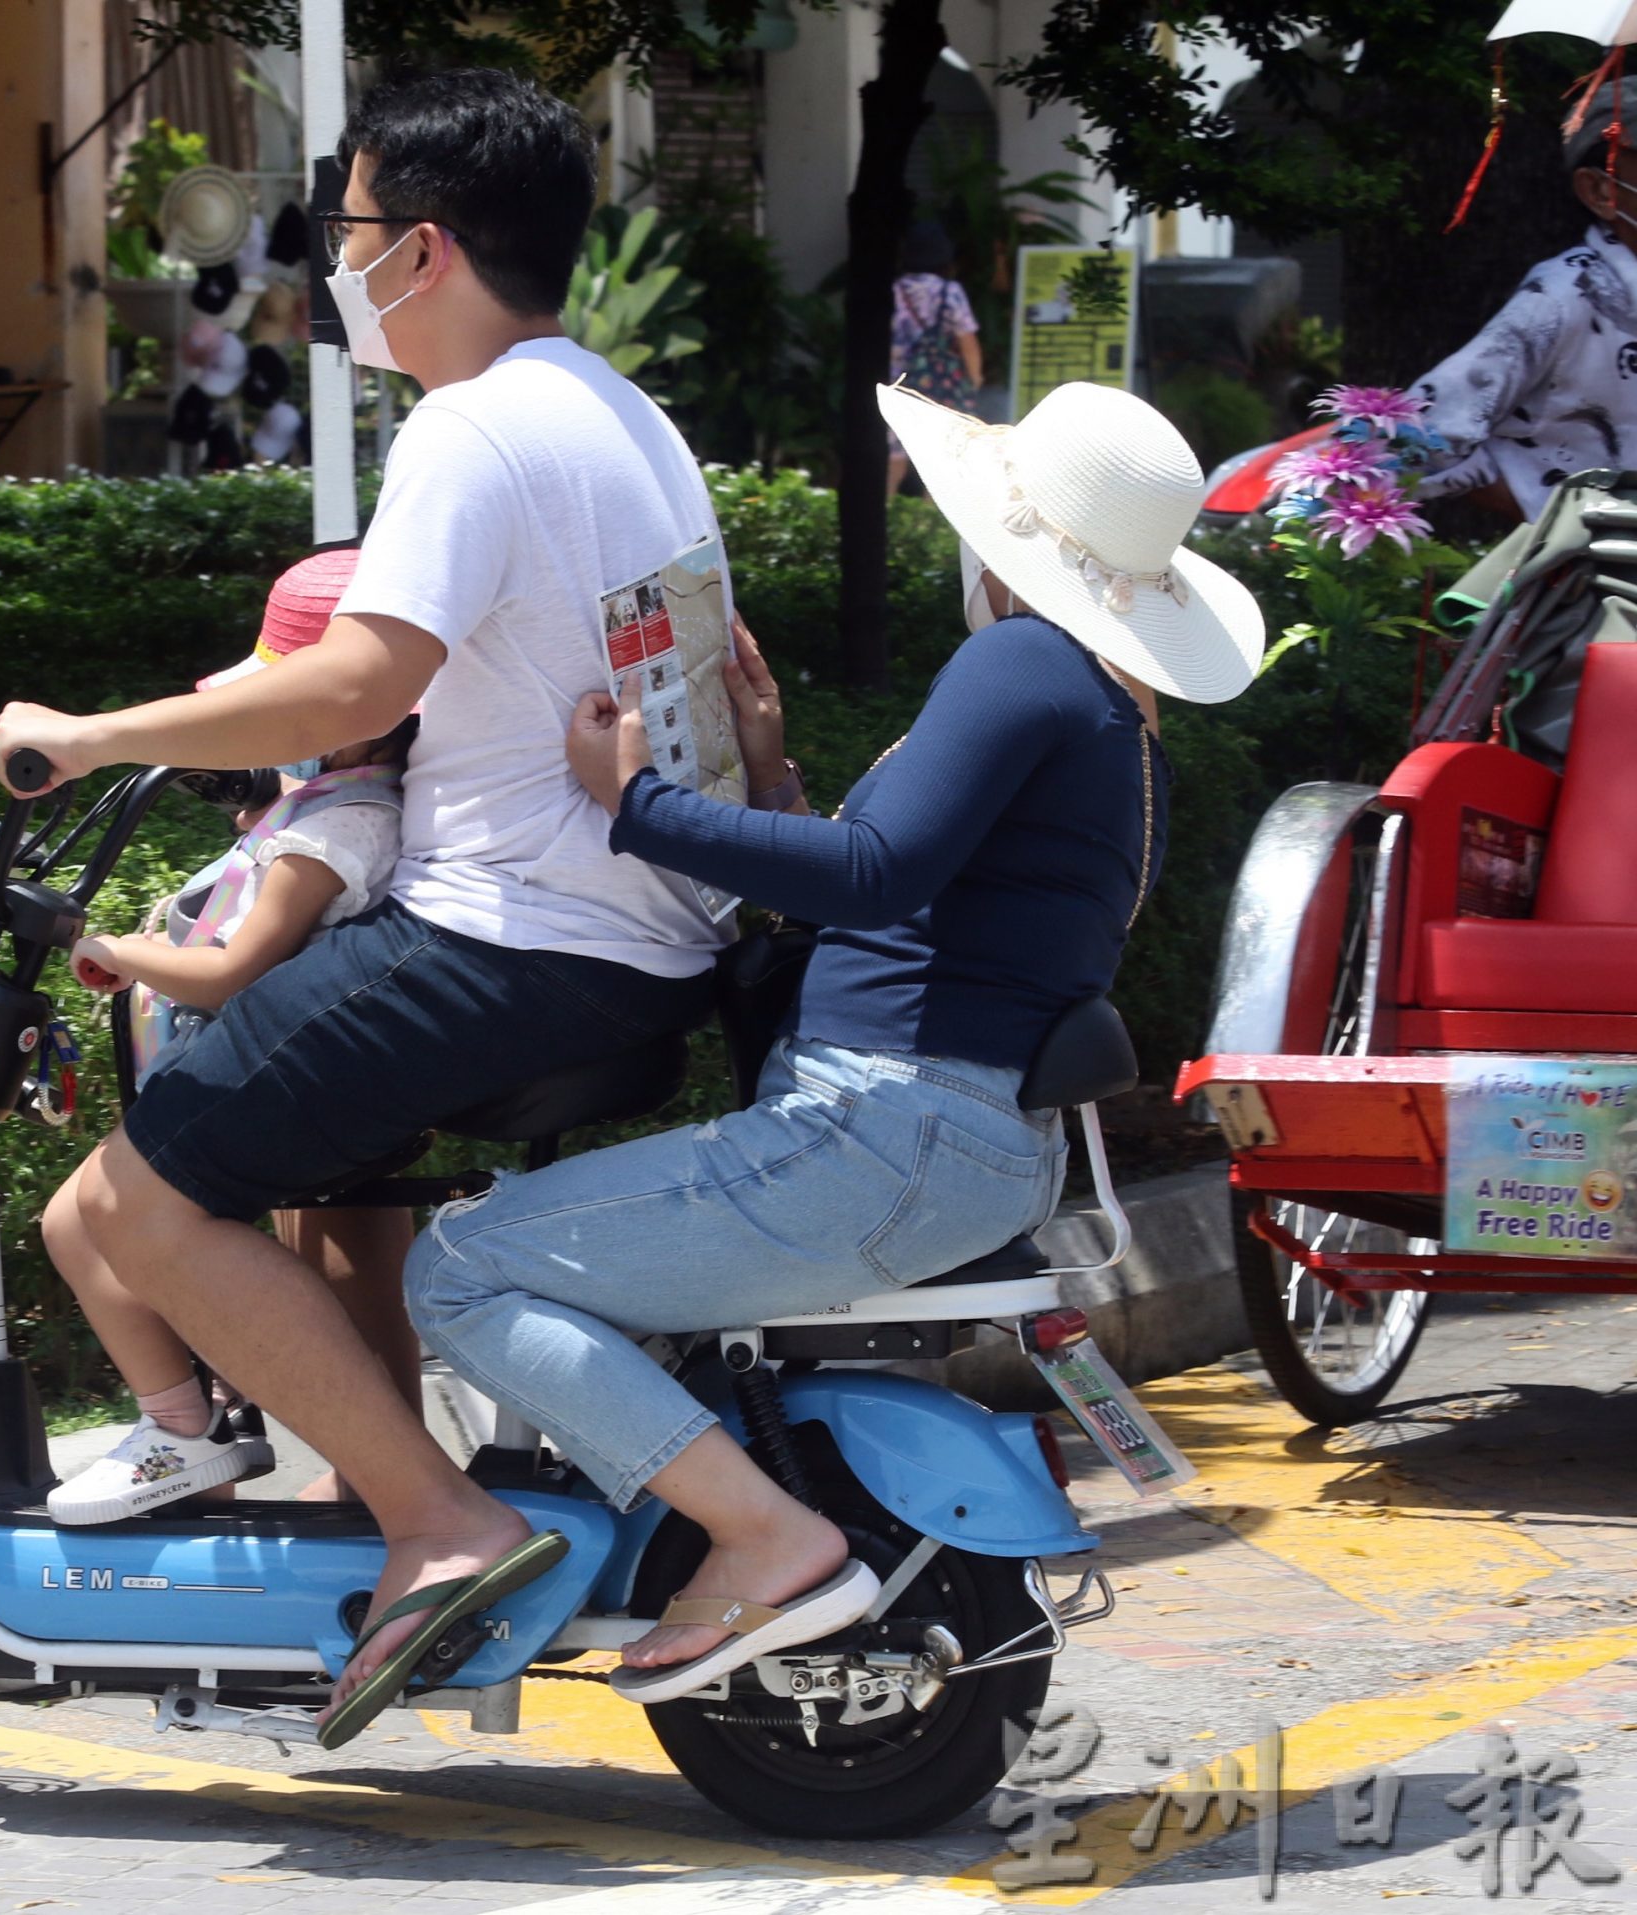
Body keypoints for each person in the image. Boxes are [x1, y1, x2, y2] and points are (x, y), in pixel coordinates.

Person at [0, 68, 724, 1746]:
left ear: (431, 250)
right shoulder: (620, 412)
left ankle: (439, 1521)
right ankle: (377, 1530)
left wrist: (91, 735)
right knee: (335, 1188)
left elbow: (346, 689)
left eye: (353, 229)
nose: (338, 262)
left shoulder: (474, 428)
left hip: (513, 942)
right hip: (636, 943)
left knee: (142, 1202)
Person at [405, 379, 1266, 1705]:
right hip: (961, 1143)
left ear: (1010, 544)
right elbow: (915, 900)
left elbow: (869, 875)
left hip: (878, 1129)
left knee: (459, 1267)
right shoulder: (1119, 729)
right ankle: (705, 1522)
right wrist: (772, 777)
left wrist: (630, 803)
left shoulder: (1021, 660)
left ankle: (762, 1533)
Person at [42, 548, 423, 1525]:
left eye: (288, 700)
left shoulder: (334, 828)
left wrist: (122, 951)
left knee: (82, 1216)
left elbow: (231, 968)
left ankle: (181, 1429)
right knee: (343, 1257)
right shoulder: (342, 808)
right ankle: (368, 1472)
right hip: (325, 1071)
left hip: (280, 1073)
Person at [1407, 77, 1637, 522]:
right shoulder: (1562, 298)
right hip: (1592, 574)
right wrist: (1548, 509)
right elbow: (1422, 434)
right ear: (1600, 191)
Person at [885, 219, 982, 501]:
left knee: (894, 456)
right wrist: (974, 378)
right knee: (941, 457)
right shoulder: (949, 292)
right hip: (943, 385)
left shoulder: (893, 291)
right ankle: (930, 524)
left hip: (896, 383)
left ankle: (884, 515)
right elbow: (967, 341)